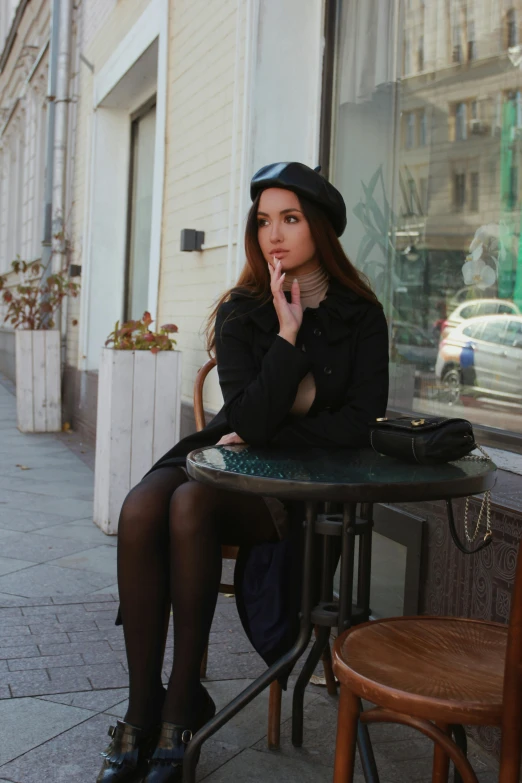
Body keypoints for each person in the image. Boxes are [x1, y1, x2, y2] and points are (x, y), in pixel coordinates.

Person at [96, 162, 389, 782]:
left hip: (294, 487)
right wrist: (283, 334)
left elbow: (358, 425)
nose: (274, 235)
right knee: (143, 507)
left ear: (321, 231)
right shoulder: (242, 311)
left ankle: (181, 708)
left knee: (188, 507)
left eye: (290, 219)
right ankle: (142, 708)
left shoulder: (361, 316)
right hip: (224, 458)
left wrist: (283, 379)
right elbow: (242, 420)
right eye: (263, 222)